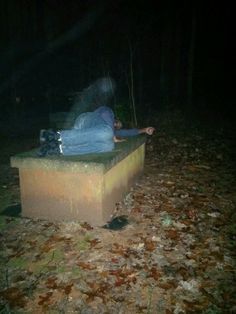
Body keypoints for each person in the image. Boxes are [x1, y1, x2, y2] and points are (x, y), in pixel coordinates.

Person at [38, 106, 155, 157]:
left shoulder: (111, 130)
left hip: (87, 133)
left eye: (118, 127)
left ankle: (59, 149)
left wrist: (144, 130)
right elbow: (105, 114)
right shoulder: (107, 113)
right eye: (117, 123)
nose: (117, 126)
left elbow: (128, 133)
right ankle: (51, 135)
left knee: (108, 146)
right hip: (85, 120)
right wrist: (112, 134)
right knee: (108, 134)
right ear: (116, 119)